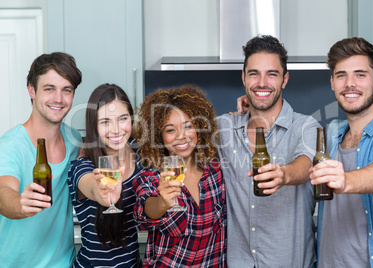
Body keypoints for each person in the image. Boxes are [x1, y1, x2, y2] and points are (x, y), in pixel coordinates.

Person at [217, 35, 321, 267]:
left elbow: (306, 164)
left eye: (271, 74)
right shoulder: (224, 129)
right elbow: (179, 135)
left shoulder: (305, 126)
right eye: (254, 73)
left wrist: (284, 175)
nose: (262, 83)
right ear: (244, 78)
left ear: (284, 80)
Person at [310, 37, 373, 267]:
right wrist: (250, 113)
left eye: (360, 75)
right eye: (341, 75)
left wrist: (346, 180)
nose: (350, 83)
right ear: (332, 83)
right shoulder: (331, 133)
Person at [0, 52, 82, 267]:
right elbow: (3, 192)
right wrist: (20, 203)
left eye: (67, 90)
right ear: (32, 90)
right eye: (49, 89)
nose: (59, 99)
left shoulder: (75, 141)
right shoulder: (10, 145)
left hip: (64, 263)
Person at [132, 85, 226, 267]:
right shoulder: (150, 177)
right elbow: (146, 210)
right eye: (170, 130)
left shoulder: (215, 172)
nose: (181, 136)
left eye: (188, 126)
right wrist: (162, 202)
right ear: (159, 137)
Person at [67, 83, 143, 267]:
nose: (116, 129)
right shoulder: (81, 166)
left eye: (123, 118)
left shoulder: (142, 159)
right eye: (105, 122)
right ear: (94, 126)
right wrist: (100, 190)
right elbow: (90, 184)